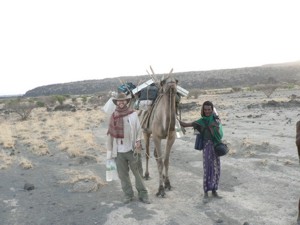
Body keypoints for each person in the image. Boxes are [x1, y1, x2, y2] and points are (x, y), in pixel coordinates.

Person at [106, 92, 150, 204]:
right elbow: (110, 134)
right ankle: (128, 194)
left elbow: (139, 129)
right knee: (123, 175)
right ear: (116, 102)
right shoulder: (113, 115)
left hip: (132, 149)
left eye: (123, 100)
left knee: (138, 174)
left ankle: (143, 194)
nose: (121, 102)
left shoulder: (133, 114)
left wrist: (138, 141)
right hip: (118, 151)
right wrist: (110, 151)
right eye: (119, 101)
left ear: (126, 102)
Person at [179, 101, 223, 202]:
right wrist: (176, 119)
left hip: (216, 146)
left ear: (212, 110)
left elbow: (220, 132)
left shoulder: (216, 120)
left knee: (216, 169)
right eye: (205, 109)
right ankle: (206, 192)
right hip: (207, 146)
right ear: (203, 110)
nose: (207, 111)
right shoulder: (201, 121)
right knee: (207, 168)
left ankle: (214, 190)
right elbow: (186, 125)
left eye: (209, 109)